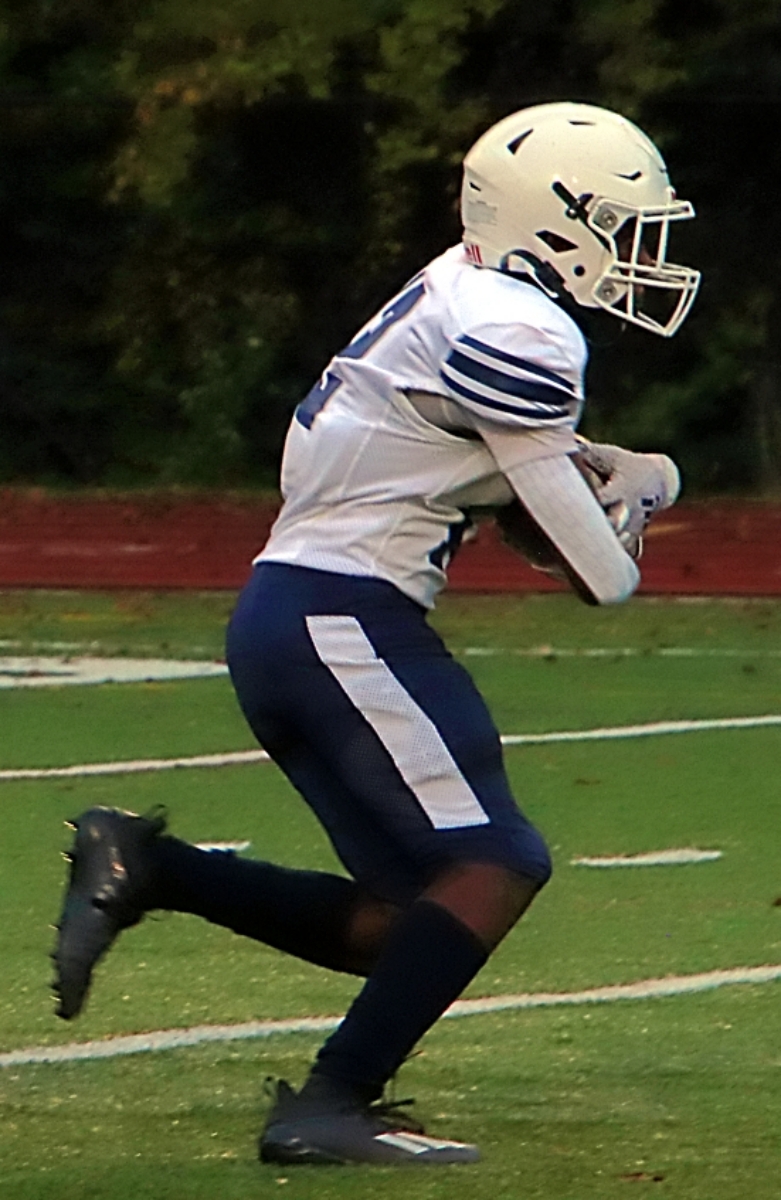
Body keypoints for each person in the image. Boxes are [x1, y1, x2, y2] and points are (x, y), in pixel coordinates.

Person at [52, 101, 700, 1167]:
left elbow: (504, 482)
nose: (640, 253)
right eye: (623, 224)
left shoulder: (457, 291)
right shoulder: (522, 330)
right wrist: (634, 493)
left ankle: (154, 867)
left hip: (290, 617)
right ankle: (327, 1104)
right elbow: (598, 573)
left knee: (412, 922)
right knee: (494, 863)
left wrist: (621, 470)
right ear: (557, 220)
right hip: (343, 618)